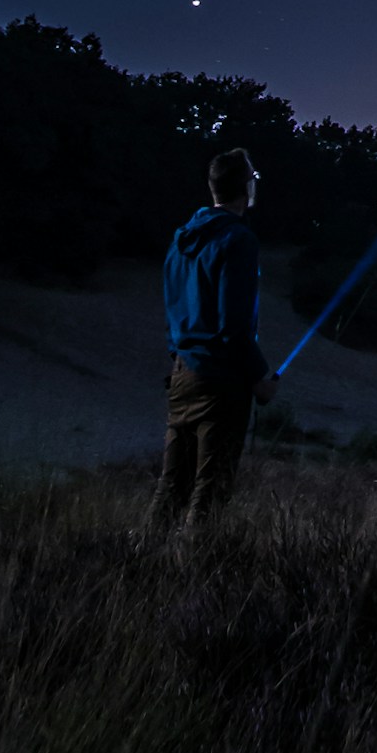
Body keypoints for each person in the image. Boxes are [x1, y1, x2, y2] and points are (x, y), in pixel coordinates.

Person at [152, 146, 279, 524]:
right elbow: (234, 327)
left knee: (171, 486)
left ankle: (140, 562)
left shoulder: (181, 239)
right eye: (253, 177)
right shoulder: (238, 240)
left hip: (181, 374)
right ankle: (195, 576)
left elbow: (176, 309)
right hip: (220, 382)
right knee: (211, 489)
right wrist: (260, 378)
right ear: (246, 187)